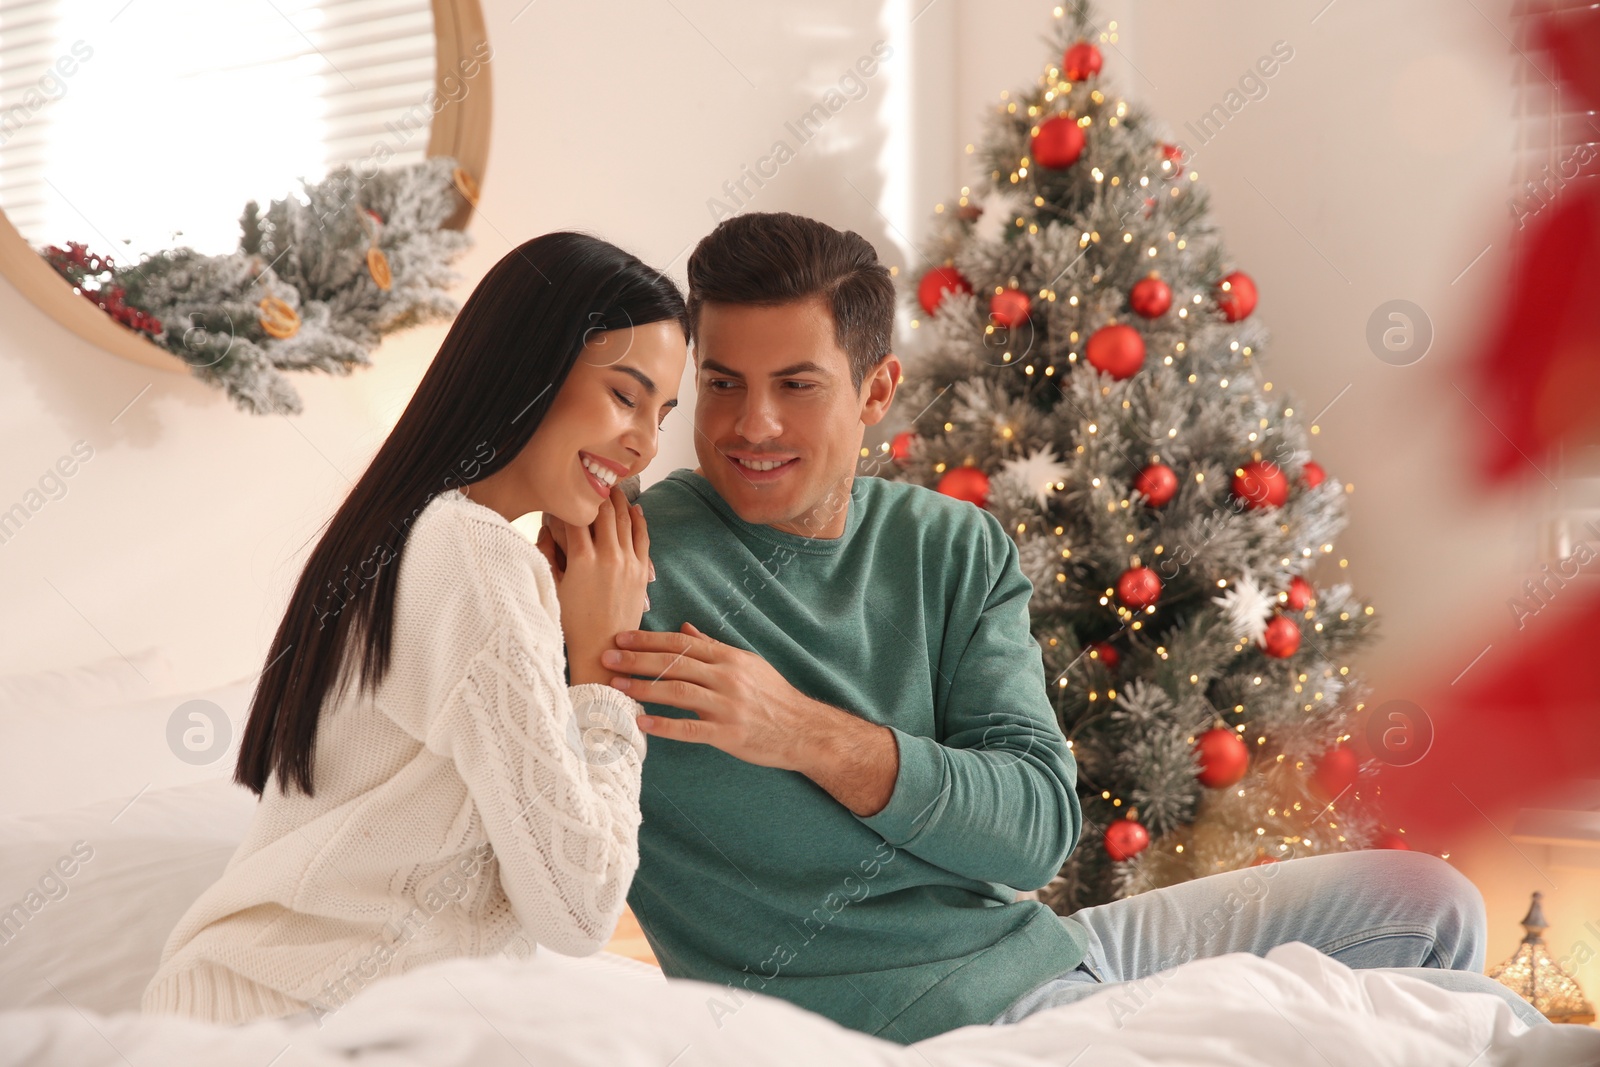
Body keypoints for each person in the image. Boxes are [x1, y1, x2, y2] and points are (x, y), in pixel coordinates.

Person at [592, 211, 1550, 1042]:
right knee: (1440, 1020)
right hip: (953, 1024)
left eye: (796, 384)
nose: (749, 425)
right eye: (721, 384)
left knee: (1431, 903)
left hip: (1053, 948)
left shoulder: (949, 544)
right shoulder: (623, 556)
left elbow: (1035, 830)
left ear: (877, 392)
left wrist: (797, 730)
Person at [141, 232, 687, 1026]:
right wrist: (600, 675)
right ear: (533, 364)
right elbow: (580, 908)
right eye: (625, 396)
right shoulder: (473, 554)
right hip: (284, 1022)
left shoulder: (415, 531)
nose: (646, 442)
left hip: (254, 1010)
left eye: (662, 413)